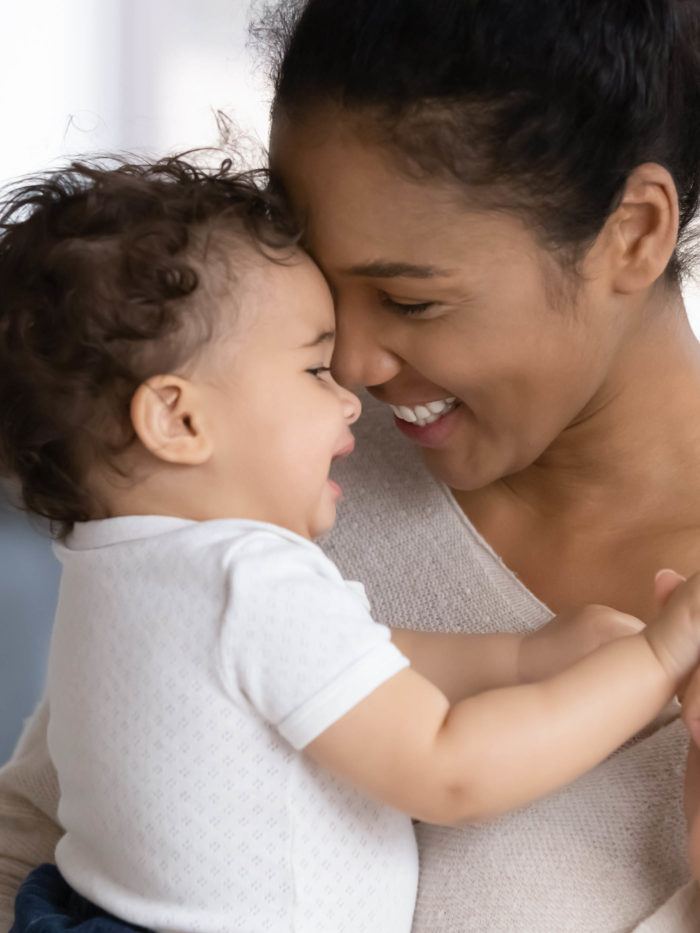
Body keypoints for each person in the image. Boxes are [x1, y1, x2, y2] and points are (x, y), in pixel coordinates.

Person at [3, 0, 700, 928]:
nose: (353, 367)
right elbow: (38, 835)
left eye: (410, 302)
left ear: (636, 233)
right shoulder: (257, 476)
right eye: (325, 292)